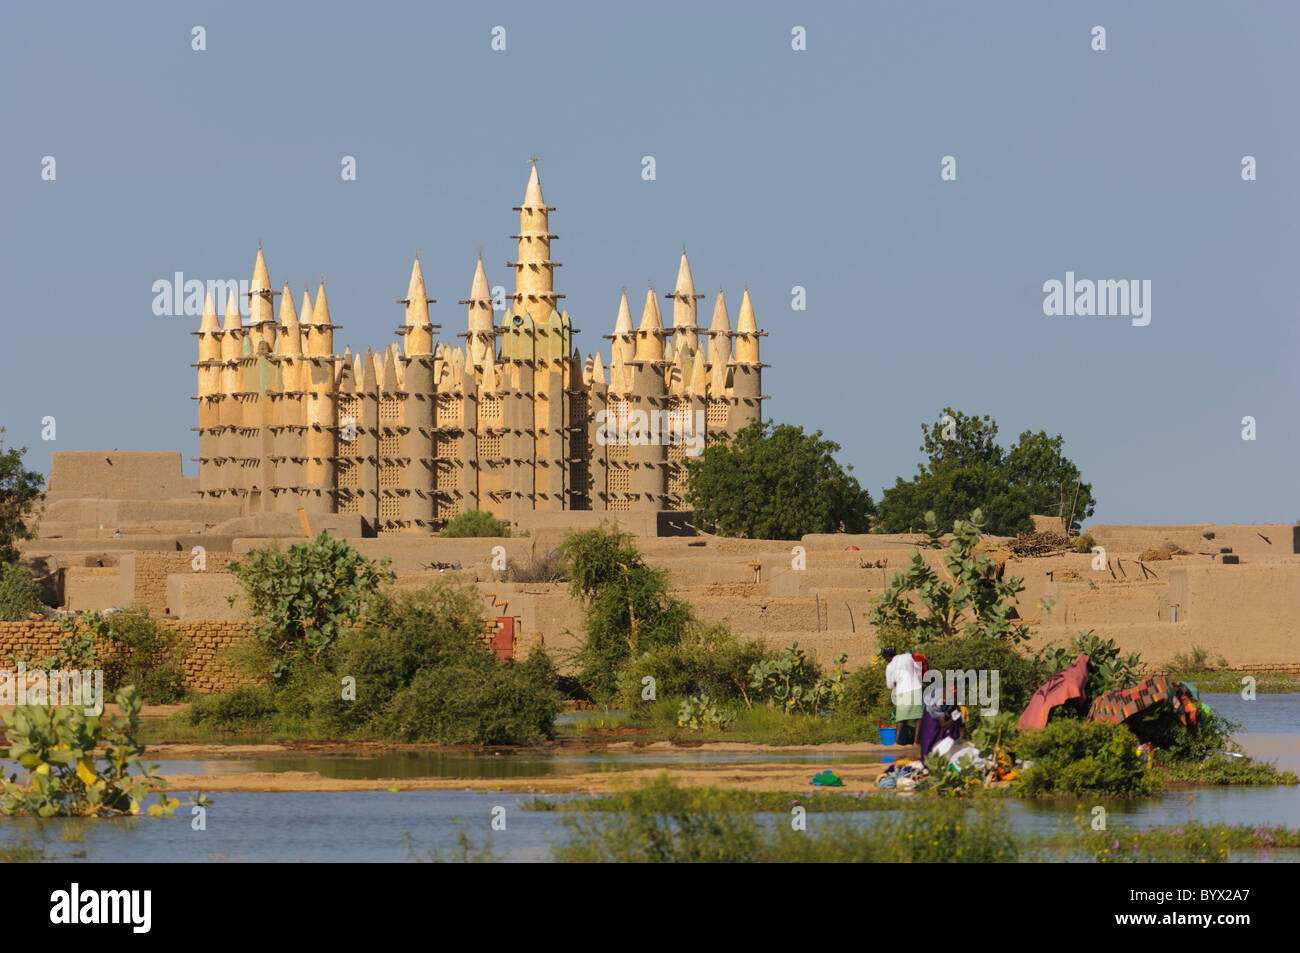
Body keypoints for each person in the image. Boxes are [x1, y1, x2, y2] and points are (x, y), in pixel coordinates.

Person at [882, 648, 923, 745]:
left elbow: (890, 685)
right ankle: (916, 741)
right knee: (918, 717)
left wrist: (896, 682)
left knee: (901, 718)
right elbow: (918, 666)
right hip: (916, 688)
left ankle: (896, 742)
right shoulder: (907, 656)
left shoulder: (889, 666)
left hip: (902, 692)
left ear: (887, 657)